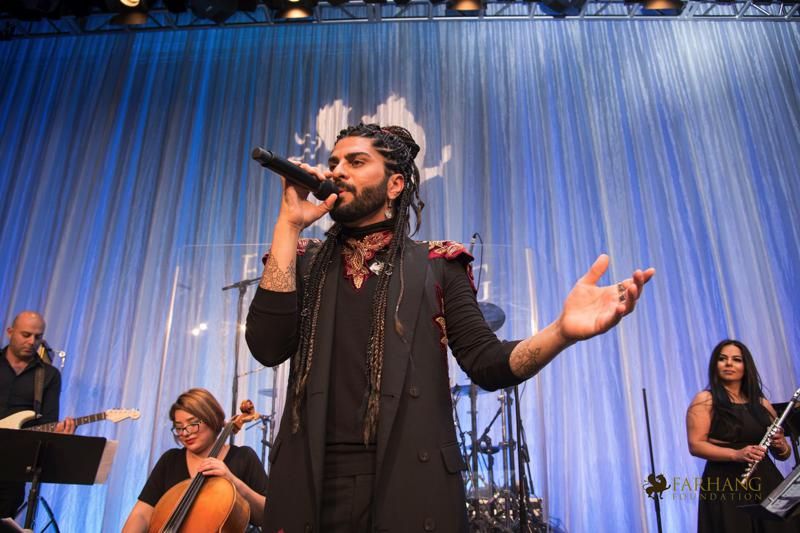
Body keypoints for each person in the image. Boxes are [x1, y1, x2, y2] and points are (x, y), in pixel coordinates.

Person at [246, 123, 655, 532]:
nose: (337, 171)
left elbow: (487, 362)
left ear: (395, 185)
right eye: (334, 162)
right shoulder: (304, 259)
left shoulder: (438, 264)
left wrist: (561, 332)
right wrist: (288, 224)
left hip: (410, 482)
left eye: (355, 162)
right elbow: (266, 346)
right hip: (310, 483)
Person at [686, 339, 796, 533]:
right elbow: (696, 445)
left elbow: (783, 455)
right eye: (722, 359)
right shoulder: (705, 399)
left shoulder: (762, 403)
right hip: (726, 483)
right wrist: (735, 454)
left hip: (766, 481)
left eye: (736, 359)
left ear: (746, 366)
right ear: (715, 365)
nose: (729, 363)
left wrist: (781, 446)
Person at [121, 388, 268, 532]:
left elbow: (267, 515)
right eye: (179, 428)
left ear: (212, 418)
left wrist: (233, 480)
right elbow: (141, 515)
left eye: (193, 424)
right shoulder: (170, 460)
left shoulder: (243, 457)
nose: (185, 433)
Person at [0, 311, 75, 520]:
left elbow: (48, 423)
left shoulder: (49, 375)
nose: (32, 341)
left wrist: (59, 434)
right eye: (26, 335)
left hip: (12, 469)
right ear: (10, 332)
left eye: (38, 337)